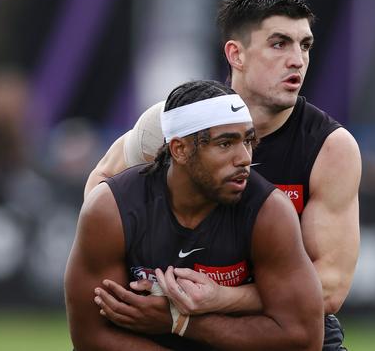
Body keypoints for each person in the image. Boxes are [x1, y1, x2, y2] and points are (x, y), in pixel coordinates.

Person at [85, 0, 361, 349]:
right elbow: (102, 188)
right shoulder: (172, 122)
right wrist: (143, 283)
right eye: (279, 44)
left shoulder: (330, 148)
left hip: (286, 333)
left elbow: (329, 288)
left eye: (304, 45)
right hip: (181, 324)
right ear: (236, 54)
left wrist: (218, 298)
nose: (297, 59)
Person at [65, 79, 324, 350]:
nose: (245, 158)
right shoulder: (112, 207)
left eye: (248, 141)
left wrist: (180, 322)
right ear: (180, 149)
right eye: (225, 144)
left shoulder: (269, 211)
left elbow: (304, 338)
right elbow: (90, 337)